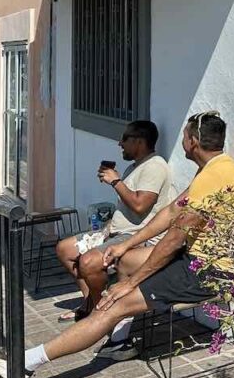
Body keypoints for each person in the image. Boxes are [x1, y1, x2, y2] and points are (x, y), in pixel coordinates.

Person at [0, 111, 234, 378]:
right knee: (125, 261)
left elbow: (173, 240)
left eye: (186, 136)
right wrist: (126, 246)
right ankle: (119, 340)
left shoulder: (211, 176)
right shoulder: (215, 168)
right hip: (193, 259)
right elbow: (170, 212)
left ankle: (23, 364)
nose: (183, 141)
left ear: (193, 142)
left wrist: (129, 284)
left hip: (204, 272)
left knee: (112, 305)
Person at [54, 120, 175, 323]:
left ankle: (103, 311)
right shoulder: (133, 168)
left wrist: (115, 182)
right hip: (116, 231)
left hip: (136, 236)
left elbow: (140, 205)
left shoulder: (155, 166)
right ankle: (91, 303)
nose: (120, 144)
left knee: (89, 262)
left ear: (139, 142)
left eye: (125, 139)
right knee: (65, 249)